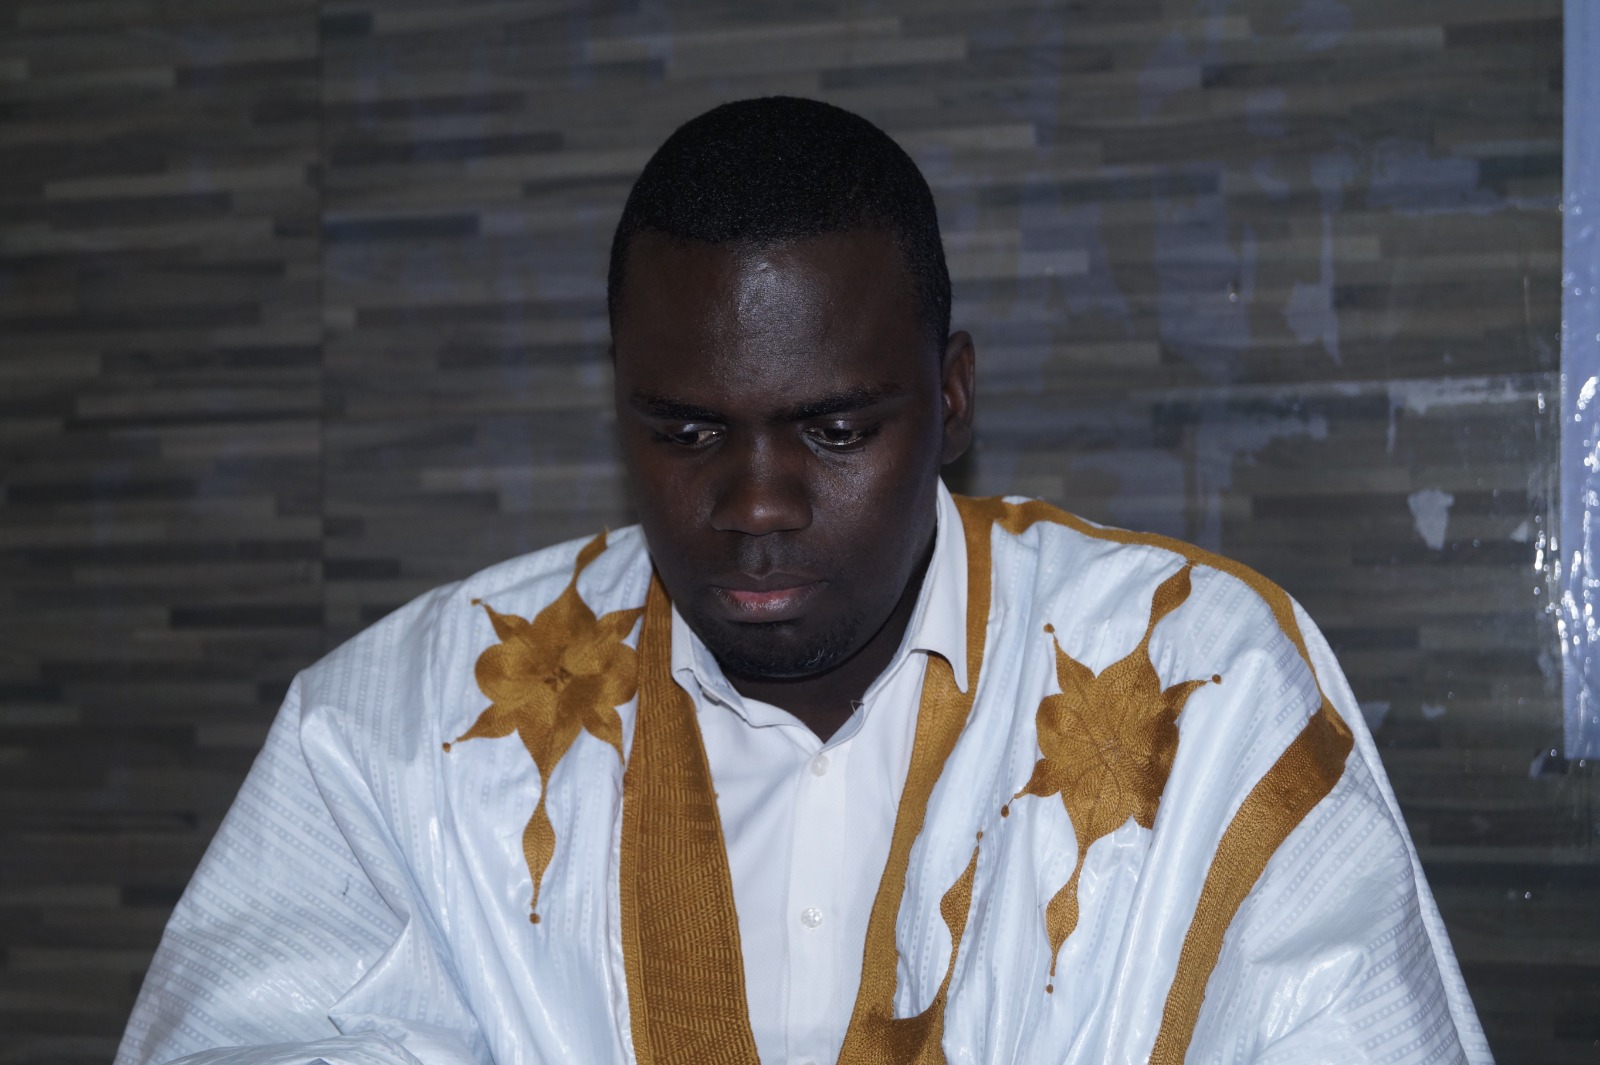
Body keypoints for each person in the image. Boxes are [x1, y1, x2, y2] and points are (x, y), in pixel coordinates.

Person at [117, 97, 1491, 1065]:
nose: (756, 504)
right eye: (685, 432)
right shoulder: (405, 733)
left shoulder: (1201, 686)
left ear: (952, 397)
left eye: (835, 429)